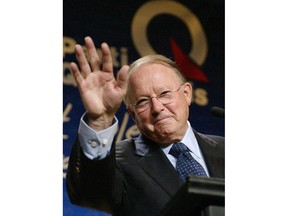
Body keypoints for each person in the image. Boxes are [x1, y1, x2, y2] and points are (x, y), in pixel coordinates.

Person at [66, 36, 224, 216]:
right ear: (133, 114)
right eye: (142, 102)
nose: (157, 108)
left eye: (164, 94)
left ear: (187, 94)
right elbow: (91, 193)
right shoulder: (119, 160)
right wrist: (99, 120)